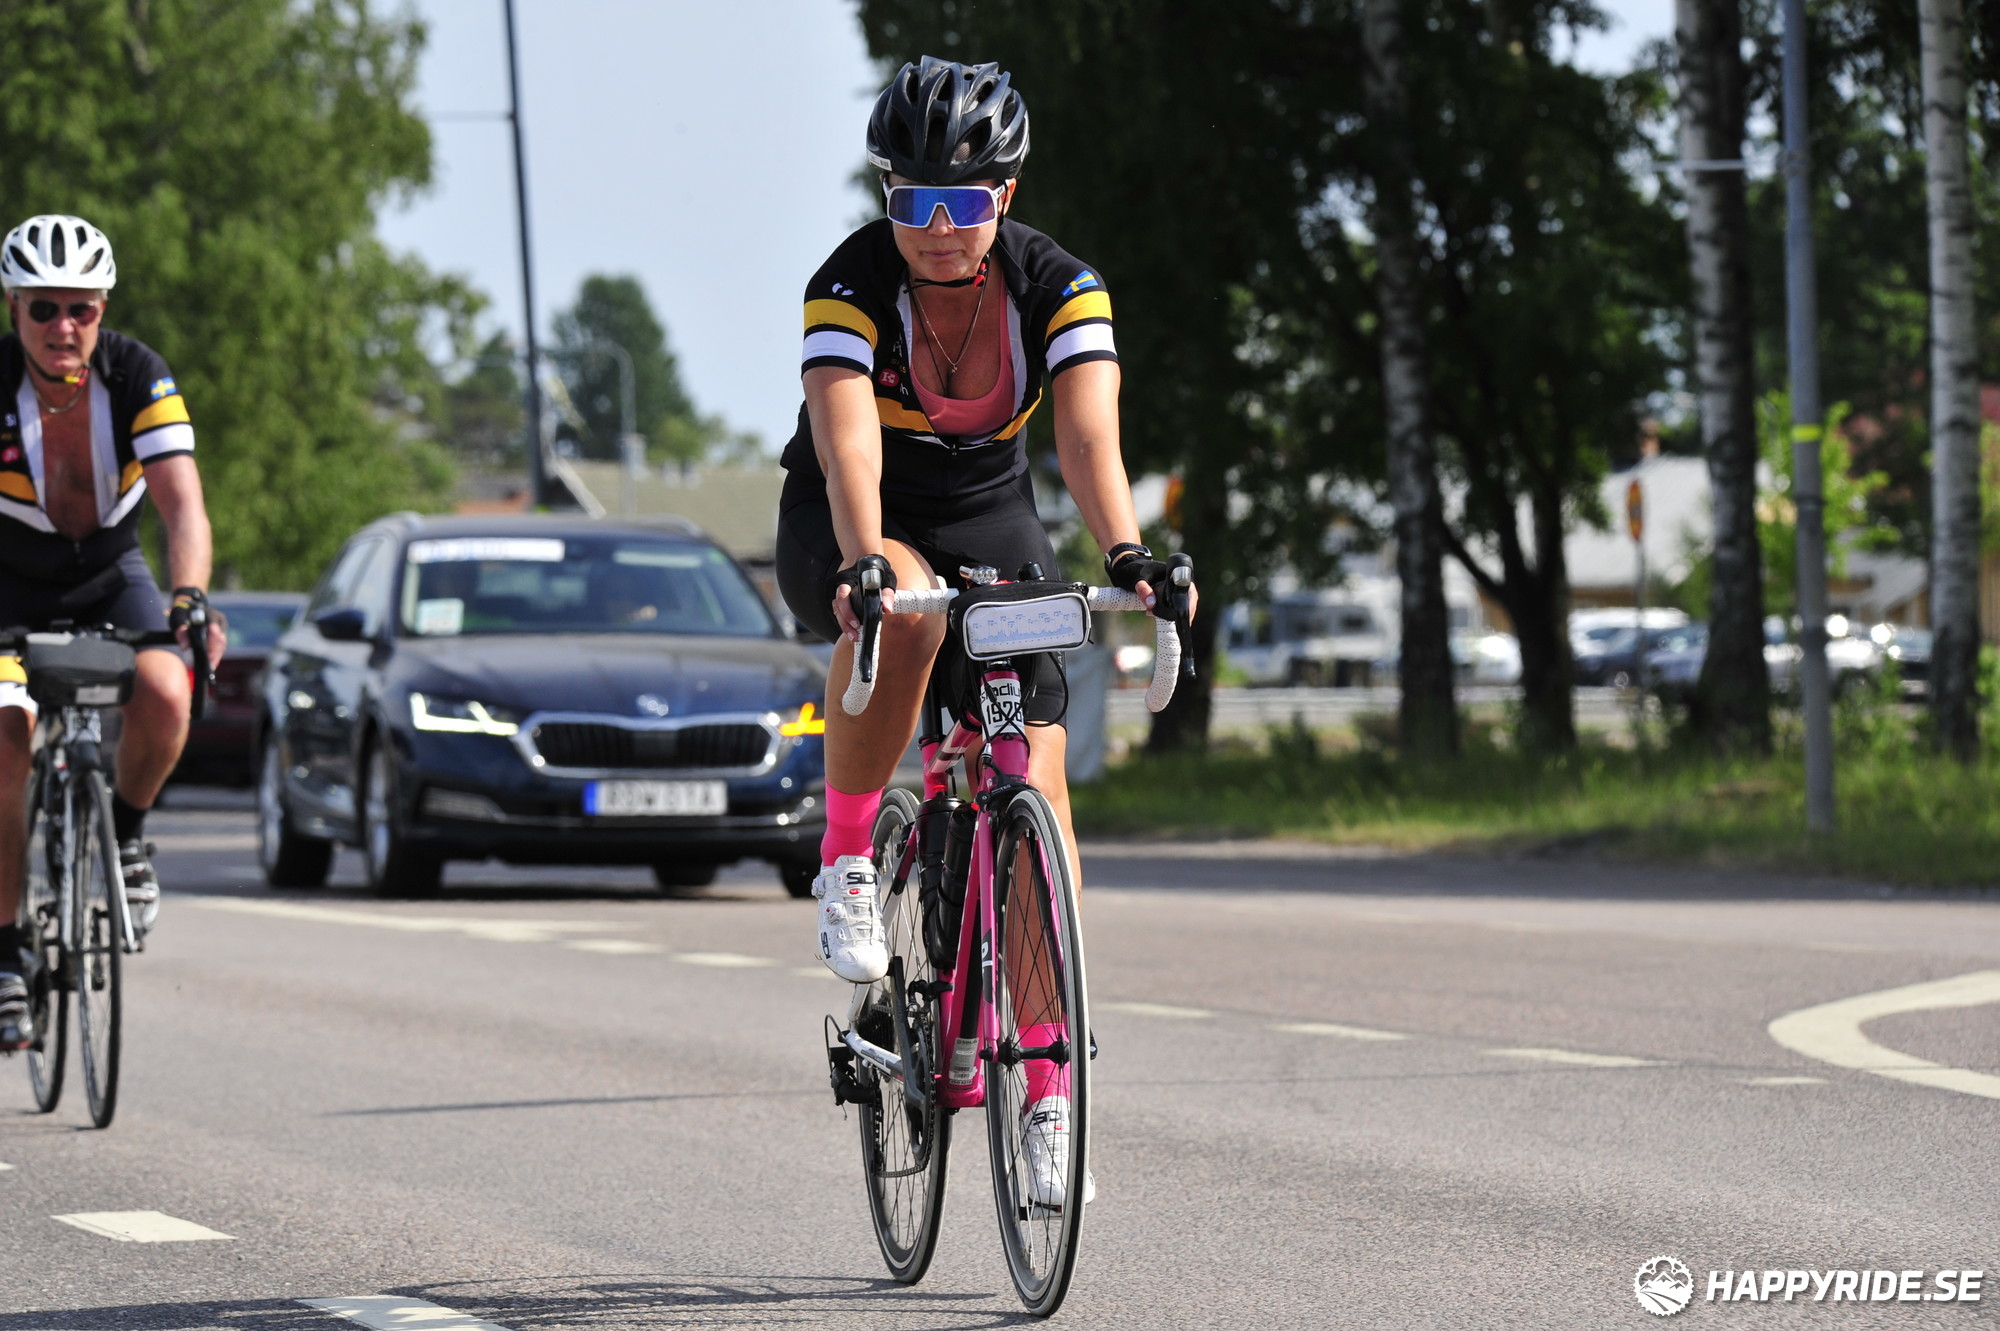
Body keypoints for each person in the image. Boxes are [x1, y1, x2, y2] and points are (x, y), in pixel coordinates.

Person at [776, 57, 1195, 1206]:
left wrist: (1128, 557)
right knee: (910, 617)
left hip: (985, 506)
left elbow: (1088, 440)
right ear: (887, 196)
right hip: (851, 511)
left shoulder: (1057, 285)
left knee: (1036, 785)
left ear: (1003, 195)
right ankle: (847, 858)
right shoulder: (848, 282)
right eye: (911, 200)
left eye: (962, 202)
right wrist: (865, 559)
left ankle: (1048, 1094)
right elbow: (847, 446)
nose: (936, 227)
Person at [0, 215, 227, 1050]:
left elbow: (182, 505)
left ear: (103, 310)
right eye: (44, 308)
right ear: (14, 308)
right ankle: (4, 951)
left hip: (109, 568)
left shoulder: (137, 374)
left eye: (82, 309)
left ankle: (124, 837)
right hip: (9, 578)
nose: (64, 327)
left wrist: (189, 598)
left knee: (168, 688)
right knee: (6, 738)